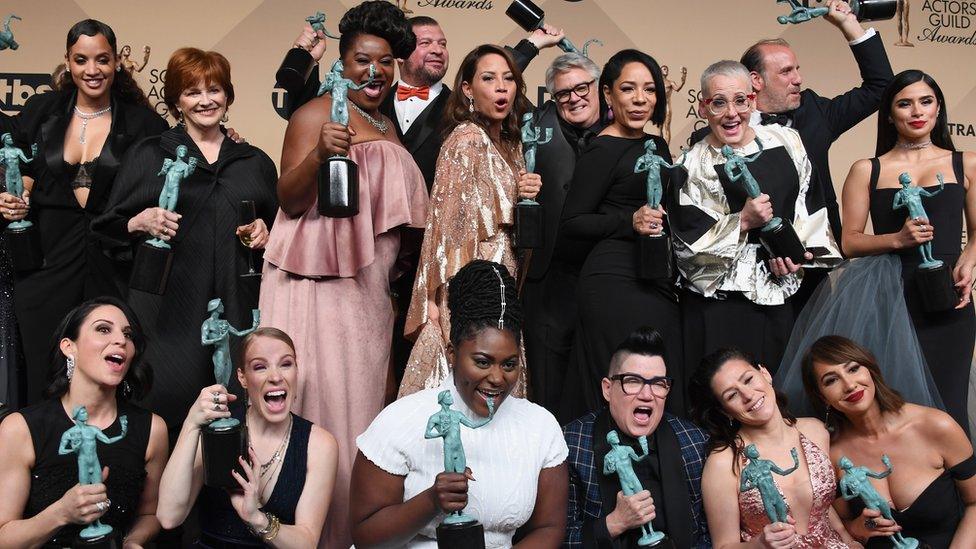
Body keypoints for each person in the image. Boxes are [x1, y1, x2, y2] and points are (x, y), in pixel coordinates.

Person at [260, 3, 428, 547]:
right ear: (342, 61)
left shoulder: (387, 123)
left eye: (385, 63)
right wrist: (318, 156)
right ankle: (311, 535)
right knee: (321, 410)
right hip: (315, 291)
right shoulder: (316, 112)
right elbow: (286, 196)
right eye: (361, 60)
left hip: (368, 295)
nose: (374, 72)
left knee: (361, 420)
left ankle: (351, 536)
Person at [92, 48, 278, 440]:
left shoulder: (254, 161)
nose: (206, 100)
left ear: (228, 95)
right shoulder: (148, 155)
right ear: (176, 100)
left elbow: (283, 228)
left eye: (214, 90)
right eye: (193, 92)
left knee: (235, 409)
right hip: (167, 313)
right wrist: (138, 221)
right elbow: (105, 229)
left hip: (237, 302)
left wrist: (266, 230)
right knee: (166, 407)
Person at [0, 19, 168, 405]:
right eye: (81, 60)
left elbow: (177, 156)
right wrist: (10, 191)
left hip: (112, 264)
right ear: (68, 62)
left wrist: (228, 137)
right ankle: (42, 457)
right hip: (45, 262)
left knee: (109, 371)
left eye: (102, 59)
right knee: (44, 373)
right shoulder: (42, 110)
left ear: (117, 62)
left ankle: (108, 456)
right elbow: (12, 155)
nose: (92, 70)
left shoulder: (143, 123)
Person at [693, 1, 894, 314]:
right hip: (740, 274)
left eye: (797, 69)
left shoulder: (815, 114)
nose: (798, 78)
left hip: (811, 266)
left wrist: (847, 23)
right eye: (786, 72)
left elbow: (882, 88)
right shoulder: (708, 139)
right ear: (755, 80)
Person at [351, 260, 568, 547]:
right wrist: (430, 501)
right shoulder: (401, 420)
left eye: (509, 364)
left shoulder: (540, 427)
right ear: (453, 354)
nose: (497, 378)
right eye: (482, 361)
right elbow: (365, 535)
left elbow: (549, 528)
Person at [670, 60, 841, 388]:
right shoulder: (688, 166)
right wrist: (742, 221)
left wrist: (793, 255)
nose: (731, 113)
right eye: (718, 103)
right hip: (717, 306)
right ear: (703, 107)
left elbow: (811, 205)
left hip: (780, 296)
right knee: (722, 398)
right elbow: (687, 248)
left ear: (753, 99)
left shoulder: (786, 141)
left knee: (775, 392)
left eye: (740, 101)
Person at [836, 69, 976, 434]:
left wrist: (968, 262)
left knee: (951, 406)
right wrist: (897, 239)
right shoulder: (867, 169)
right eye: (905, 103)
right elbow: (849, 242)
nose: (917, 111)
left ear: (938, 108)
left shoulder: (968, 163)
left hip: (948, 297)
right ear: (889, 113)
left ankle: (960, 490)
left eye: (926, 101)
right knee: (894, 410)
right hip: (888, 299)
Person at [398, 44, 537, 398]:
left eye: (509, 79)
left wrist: (525, 194)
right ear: (467, 89)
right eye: (489, 79)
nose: (502, 87)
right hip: (471, 275)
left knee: (498, 371)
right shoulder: (466, 139)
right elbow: (445, 228)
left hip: (502, 271)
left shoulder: (509, 142)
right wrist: (435, 300)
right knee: (472, 372)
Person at [555, 48, 684, 423]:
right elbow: (571, 224)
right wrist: (630, 220)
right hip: (612, 283)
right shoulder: (602, 149)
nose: (641, 98)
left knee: (661, 383)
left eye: (649, 89)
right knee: (622, 388)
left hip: (656, 277)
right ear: (608, 95)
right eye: (628, 89)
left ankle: (660, 476)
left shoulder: (656, 145)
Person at [0, 297, 168, 547]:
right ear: (69, 347)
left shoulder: (152, 429)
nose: (121, 340)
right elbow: (3, 537)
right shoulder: (20, 429)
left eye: (128, 334)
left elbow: (150, 514)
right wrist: (61, 512)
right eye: (103, 329)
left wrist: (133, 542)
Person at [156, 327, 338, 548]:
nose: (276, 377)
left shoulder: (320, 444)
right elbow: (168, 517)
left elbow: (306, 543)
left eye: (286, 364)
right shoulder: (217, 430)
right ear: (242, 377)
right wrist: (192, 424)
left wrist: (257, 519)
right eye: (260, 367)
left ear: (296, 371)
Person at [800, 336, 976, 547]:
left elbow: (975, 502)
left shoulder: (936, 426)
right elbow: (840, 524)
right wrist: (858, 528)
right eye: (831, 380)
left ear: (870, 369)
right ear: (822, 397)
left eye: (853, 369)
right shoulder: (831, 455)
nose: (849, 384)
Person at [689, 348, 857, 547]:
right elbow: (723, 546)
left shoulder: (816, 430)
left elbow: (822, 506)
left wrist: (850, 540)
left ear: (765, 373)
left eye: (748, 379)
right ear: (725, 411)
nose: (748, 395)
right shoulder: (723, 462)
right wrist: (760, 544)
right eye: (732, 395)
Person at [563, 327, 710, 548]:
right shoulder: (570, 444)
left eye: (659, 383)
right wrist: (614, 523)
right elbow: (556, 538)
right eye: (632, 381)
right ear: (607, 389)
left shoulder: (695, 441)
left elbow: (712, 534)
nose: (647, 395)